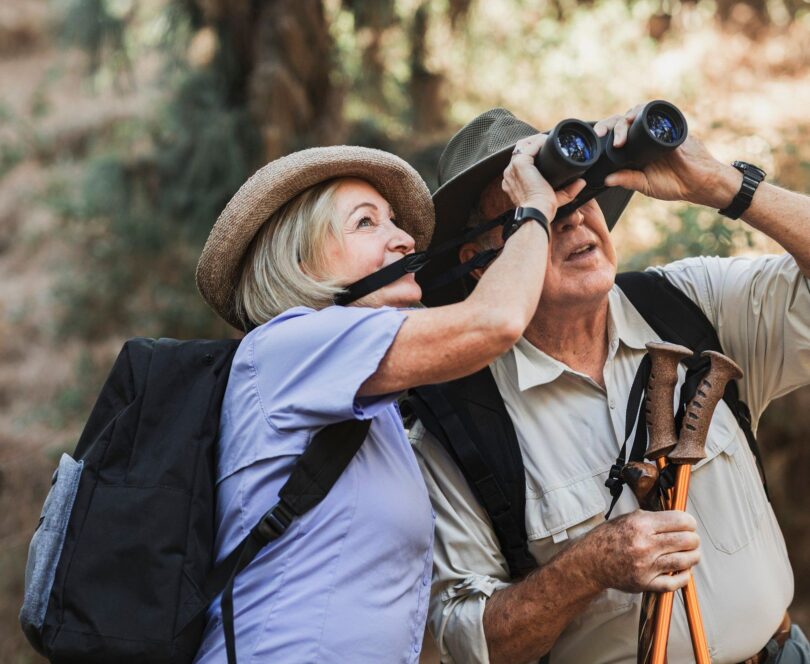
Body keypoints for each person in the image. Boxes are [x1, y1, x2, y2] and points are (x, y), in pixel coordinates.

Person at [410, 104, 810, 663]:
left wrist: (724, 185)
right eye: (540, 209)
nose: (574, 217)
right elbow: (469, 642)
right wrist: (589, 566)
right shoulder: (459, 426)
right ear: (479, 261)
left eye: (580, 195)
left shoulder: (689, 305)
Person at [191, 144, 581, 662]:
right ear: (301, 260)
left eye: (394, 221)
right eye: (366, 223)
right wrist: (533, 210)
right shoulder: (290, 346)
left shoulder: (375, 402)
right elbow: (495, 323)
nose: (404, 239)